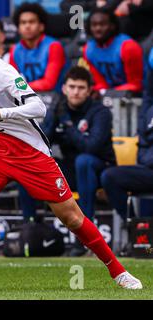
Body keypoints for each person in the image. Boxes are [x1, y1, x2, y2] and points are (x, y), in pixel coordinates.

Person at [0, 19, 142, 289]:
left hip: (30, 153)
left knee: (72, 217)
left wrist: (1, 112)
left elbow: (38, 107)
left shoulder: (4, 73)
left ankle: (118, 271)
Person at [19, 66, 116, 256]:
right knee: (31, 166)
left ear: (89, 91)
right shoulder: (59, 109)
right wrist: (53, 120)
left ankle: (84, 237)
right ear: (64, 88)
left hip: (99, 170)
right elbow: (41, 143)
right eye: (72, 87)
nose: (76, 92)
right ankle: (30, 229)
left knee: (84, 161)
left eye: (81, 88)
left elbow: (91, 147)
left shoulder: (101, 112)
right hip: (72, 169)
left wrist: (68, 125)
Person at [101, 46, 153, 219]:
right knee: (111, 177)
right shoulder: (149, 110)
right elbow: (148, 96)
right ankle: (134, 225)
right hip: (148, 169)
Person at [83, 7, 144, 96]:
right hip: (109, 96)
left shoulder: (128, 47)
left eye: (102, 24)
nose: (98, 29)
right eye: (94, 25)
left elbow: (136, 85)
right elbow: (101, 84)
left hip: (138, 97)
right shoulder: (88, 49)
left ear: (113, 26)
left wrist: (105, 92)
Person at [9, 2, 67, 92]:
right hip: (26, 97)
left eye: (31, 22)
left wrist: (21, 87)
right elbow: (11, 81)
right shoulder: (15, 50)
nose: (27, 26)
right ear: (18, 28)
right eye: (23, 22)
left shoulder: (54, 47)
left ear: (41, 26)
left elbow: (49, 83)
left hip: (53, 99)